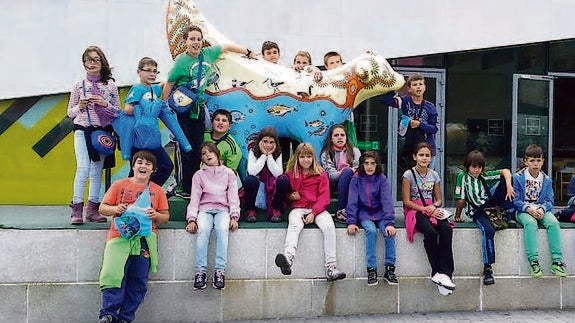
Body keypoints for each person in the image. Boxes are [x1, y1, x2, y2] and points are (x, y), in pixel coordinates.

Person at [163, 25, 256, 198]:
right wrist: (165, 110)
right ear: (185, 41)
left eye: (198, 39)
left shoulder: (208, 54)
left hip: (198, 110)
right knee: (184, 148)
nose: (196, 42)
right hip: (183, 111)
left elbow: (226, 46)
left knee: (198, 146)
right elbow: (168, 85)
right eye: (192, 39)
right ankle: (184, 186)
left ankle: (195, 185)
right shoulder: (181, 62)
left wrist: (248, 52)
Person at [97, 151, 170, 323]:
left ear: (153, 169)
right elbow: (102, 208)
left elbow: (165, 217)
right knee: (113, 275)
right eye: (140, 162)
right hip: (118, 237)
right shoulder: (118, 185)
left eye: (148, 164)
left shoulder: (158, 191)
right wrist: (116, 209)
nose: (143, 166)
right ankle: (108, 314)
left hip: (144, 240)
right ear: (133, 165)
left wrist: (156, 215)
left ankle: (126, 318)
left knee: (138, 281)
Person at [274, 143, 346, 281]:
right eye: (302, 156)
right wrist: (290, 197)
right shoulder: (290, 174)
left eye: (308, 156)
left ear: (313, 158)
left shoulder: (321, 174)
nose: (305, 160)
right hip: (298, 208)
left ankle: (331, 267)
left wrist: (314, 212)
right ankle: (288, 259)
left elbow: (324, 197)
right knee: (294, 224)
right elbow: (285, 196)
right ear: (297, 158)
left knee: (329, 226)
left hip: (318, 209)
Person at [67, 46, 120, 225]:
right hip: (82, 130)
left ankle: (93, 209)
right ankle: (76, 208)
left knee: (97, 171)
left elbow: (117, 112)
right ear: (84, 63)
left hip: (101, 132)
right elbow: (70, 113)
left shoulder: (110, 85)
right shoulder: (78, 85)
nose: (92, 63)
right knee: (83, 168)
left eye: (95, 59)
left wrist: (104, 104)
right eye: (88, 60)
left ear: (102, 62)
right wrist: (80, 106)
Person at [121, 57, 191, 186]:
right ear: (139, 72)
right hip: (139, 139)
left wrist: (177, 75)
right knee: (136, 170)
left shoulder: (152, 89)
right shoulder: (137, 88)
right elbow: (127, 109)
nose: (152, 74)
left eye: (155, 71)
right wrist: (146, 108)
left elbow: (164, 84)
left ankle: (147, 191)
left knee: (166, 166)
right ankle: (128, 196)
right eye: (148, 71)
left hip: (152, 137)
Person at [453, 150, 515, 285]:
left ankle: (508, 213)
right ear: (468, 166)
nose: (476, 170)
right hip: (477, 211)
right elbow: (461, 200)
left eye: (479, 167)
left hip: (489, 206)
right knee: (488, 230)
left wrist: (509, 186)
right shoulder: (462, 177)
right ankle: (487, 268)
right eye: (474, 166)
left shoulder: (484, 176)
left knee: (508, 179)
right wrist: (457, 215)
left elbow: (506, 171)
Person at [185, 142, 240, 290]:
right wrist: (191, 218)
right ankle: (200, 272)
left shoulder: (229, 173)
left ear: (217, 154)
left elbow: (233, 196)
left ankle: (219, 271)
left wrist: (234, 216)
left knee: (222, 230)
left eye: (210, 152)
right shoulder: (199, 175)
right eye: (204, 153)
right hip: (205, 209)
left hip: (223, 210)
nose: (207, 155)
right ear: (201, 159)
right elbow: (195, 198)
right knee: (203, 231)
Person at [402, 142, 455, 295]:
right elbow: (406, 201)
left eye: (427, 155)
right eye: (421, 155)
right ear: (415, 157)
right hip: (415, 210)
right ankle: (436, 271)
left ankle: (446, 274)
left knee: (446, 229)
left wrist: (433, 207)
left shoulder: (434, 175)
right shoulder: (408, 175)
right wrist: (424, 209)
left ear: (431, 158)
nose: (424, 158)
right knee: (431, 233)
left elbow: (439, 200)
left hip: (431, 209)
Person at [512, 144, 567, 278]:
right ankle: (534, 262)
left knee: (553, 223)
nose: (535, 164)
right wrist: (528, 209)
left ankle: (557, 262)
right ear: (525, 162)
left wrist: (543, 209)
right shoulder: (518, 177)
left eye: (538, 160)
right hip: (523, 210)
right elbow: (515, 200)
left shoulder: (546, 179)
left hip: (541, 209)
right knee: (531, 223)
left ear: (543, 161)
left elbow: (550, 200)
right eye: (532, 160)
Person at [346, 151, 397, 286]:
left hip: (380, 213)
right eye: (366, 163)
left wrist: (389, 223)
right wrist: (351, 221)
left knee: (388, 233)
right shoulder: (356, 180)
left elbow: (387, 201)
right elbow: (352, 201)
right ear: (362, 165)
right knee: (371, 231)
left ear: (377, 165)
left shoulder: (382, 179)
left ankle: (390, 269)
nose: (369, 167)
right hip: (365, 213)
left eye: (372, 164)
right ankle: (371, 269)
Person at [381, 73, 439, 172]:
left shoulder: (430, 107)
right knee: (408, 179)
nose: (418, 87)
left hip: (426, 150)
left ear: (425, 87)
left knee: (426, 181)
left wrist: (420, 124)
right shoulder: (405, 102)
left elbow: (434, 129)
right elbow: (386, 100)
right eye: (415, 85)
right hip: (409, 149)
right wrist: (396, 86)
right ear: (409, 88)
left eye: (421, 84)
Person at [243, 127, 290, 222]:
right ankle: (250, 210)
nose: (268, 145)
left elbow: (277, 173)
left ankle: (276, 210)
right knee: (250, 180)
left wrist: (270, 156)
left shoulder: (277, 152)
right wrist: (263, 155)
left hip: (272, 185)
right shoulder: (253, 150)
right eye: (265, 141)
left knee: (283, 179)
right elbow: (252, 171)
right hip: (258, 184)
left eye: (271, 142)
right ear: (260, 141)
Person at [320, 124, 360, 222]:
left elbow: (358, 168)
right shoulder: (326, 153)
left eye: (342, 135)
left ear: (346, 137)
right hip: (334, 183)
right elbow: (331, 175)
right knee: (344, 173)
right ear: (331, 138)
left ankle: (342, 211)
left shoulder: (355, 151)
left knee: (347, 173)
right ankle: (341, 211)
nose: (340, 137)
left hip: (353, 182)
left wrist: (347, 172)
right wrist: (345, 171)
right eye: (336, 135)